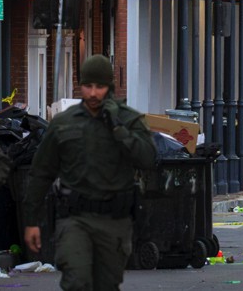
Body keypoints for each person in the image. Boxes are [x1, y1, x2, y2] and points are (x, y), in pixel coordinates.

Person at [22, 55, 157, 290]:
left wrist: (118, 129)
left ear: (110, 87)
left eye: (100, 87)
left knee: (107, 284)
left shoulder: (128, 119)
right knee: (77, 281)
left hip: (114, 219)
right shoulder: (64, 123)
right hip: (75, 218)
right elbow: (41, 172)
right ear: (80, 85)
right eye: (88, 86)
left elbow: (148, 158)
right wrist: (31, 221)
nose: (93, 93)